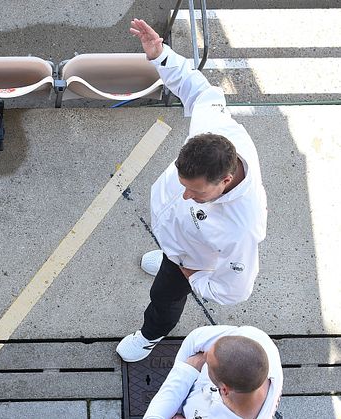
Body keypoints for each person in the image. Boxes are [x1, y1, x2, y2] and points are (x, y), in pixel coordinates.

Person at [116, 19, 268, 362]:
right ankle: (170, 254)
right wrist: (161, 55)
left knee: (165, 296)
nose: (185, 196)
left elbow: (236, 290)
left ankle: (149, 335)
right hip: (179, 237)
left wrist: (194, 277)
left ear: (225, 181)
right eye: (183, 184)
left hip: (192, 258)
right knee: (171, 254)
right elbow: (196, 88)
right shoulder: (211, 127)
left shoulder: (241, 229)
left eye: (196, 193)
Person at [144, 325, 283, 419]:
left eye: (208, 363)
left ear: (224, 390)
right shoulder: (255, 338)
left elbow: (192, 354)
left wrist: (188, 368)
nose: (203, 356)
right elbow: (195, 339)